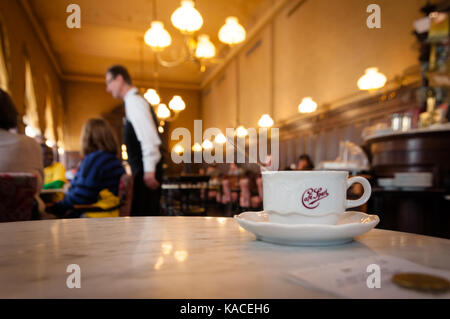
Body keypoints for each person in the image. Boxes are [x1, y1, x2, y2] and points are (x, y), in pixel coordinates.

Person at [106, 65, 163, 216]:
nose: (108, 88)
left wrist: (149, 171)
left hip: (146, 172)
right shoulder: (132, 102)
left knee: (146, 221)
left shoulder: (134, 102)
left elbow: (148, 137)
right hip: (144, 170)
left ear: (119, 79)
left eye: (109, 82)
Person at [47, 118, 125, 218]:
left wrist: (55, 208)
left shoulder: (95, 160)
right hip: (109, 212)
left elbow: (81, 197)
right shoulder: (111, 159)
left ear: (87, 138)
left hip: (93, 215)